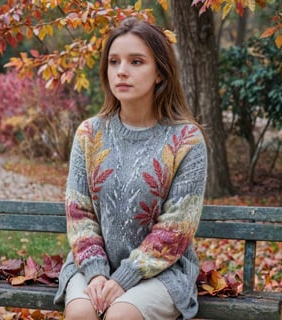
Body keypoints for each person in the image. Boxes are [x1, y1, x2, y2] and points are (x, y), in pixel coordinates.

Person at [54, 17, 208, 320]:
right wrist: (98, 273)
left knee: (121, 315)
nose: (122, 71)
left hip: (162, 271)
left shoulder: (186, 140)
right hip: (91, 265)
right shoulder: (89, 135)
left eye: (136, 61)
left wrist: (123, 279)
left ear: (160, 72)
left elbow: (175, 230)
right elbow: (79, 214)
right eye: (114, 62)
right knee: (82, 312)